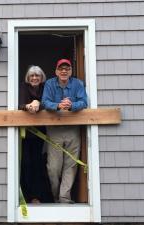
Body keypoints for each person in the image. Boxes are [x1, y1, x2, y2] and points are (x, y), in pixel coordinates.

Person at [42, 59, 88, 203]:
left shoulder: (78, 84)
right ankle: (55, 196)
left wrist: (72, 105)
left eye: (67, 69)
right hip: (54, 130)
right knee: (53, 168)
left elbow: (84, 102)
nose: (64, 71)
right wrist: (58, 105)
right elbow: (45, 102)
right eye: (61, 69)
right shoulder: (50, 83)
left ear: (70, 71)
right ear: (56, 71)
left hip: (73, 130)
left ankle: (64, 198)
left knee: (71, 165)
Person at [19, 65, 51, 203]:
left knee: (38, 164)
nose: (34, 78)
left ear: (41, 77)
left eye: (37, 75)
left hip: (40, 133)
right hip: (25, 133)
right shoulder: (23, 87)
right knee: (26, 164)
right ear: (28, 77)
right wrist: (27, 106)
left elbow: (49, 102)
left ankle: (37, 196)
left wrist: (38, 103)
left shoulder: (46, 88)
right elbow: (20, 104)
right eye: (32, 75)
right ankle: (26, 196)